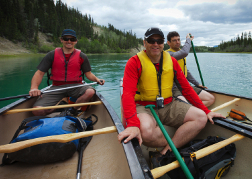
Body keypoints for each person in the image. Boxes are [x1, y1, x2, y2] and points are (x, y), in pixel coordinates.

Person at [117, 27, 224, 158]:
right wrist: (132, 124)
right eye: (151, 40)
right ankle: (178, 142)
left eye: (159, 41)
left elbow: (186, 88)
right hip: (144, 107)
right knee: (145, 131)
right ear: (145, 43)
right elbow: (127, 94)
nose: (155, 44)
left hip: (169, 104)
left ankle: (166, 152)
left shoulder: (171, 61)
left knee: (200, 117)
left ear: (163, 43)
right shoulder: (134, 62)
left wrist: (206, 111)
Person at [29, 29, 105, 116]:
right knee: (37, 111)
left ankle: (72, 110)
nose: (69, 41)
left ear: (75, 41)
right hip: (57, 87)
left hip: (76, 86)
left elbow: (88, 74)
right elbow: (39, 73)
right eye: (66, 38)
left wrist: (97, 79)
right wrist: (34, 88)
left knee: (90, 92)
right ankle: (60, 107)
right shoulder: (51, 55)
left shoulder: (82, 56)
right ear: (61, 40)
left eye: (72, 39)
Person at [166, 31, 215, 107]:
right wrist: (188, 40)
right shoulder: (168, 54)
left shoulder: (180, 53)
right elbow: (185, 52)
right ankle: (191, 110)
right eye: (174, 40)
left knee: (210, 99)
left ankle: (193, 110)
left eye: (178, 40)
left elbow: (186, 72)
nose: (177, 42)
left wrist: (197, 84)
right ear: (168, 43)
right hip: (174, 89)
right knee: (186, 106)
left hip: (185, 86)